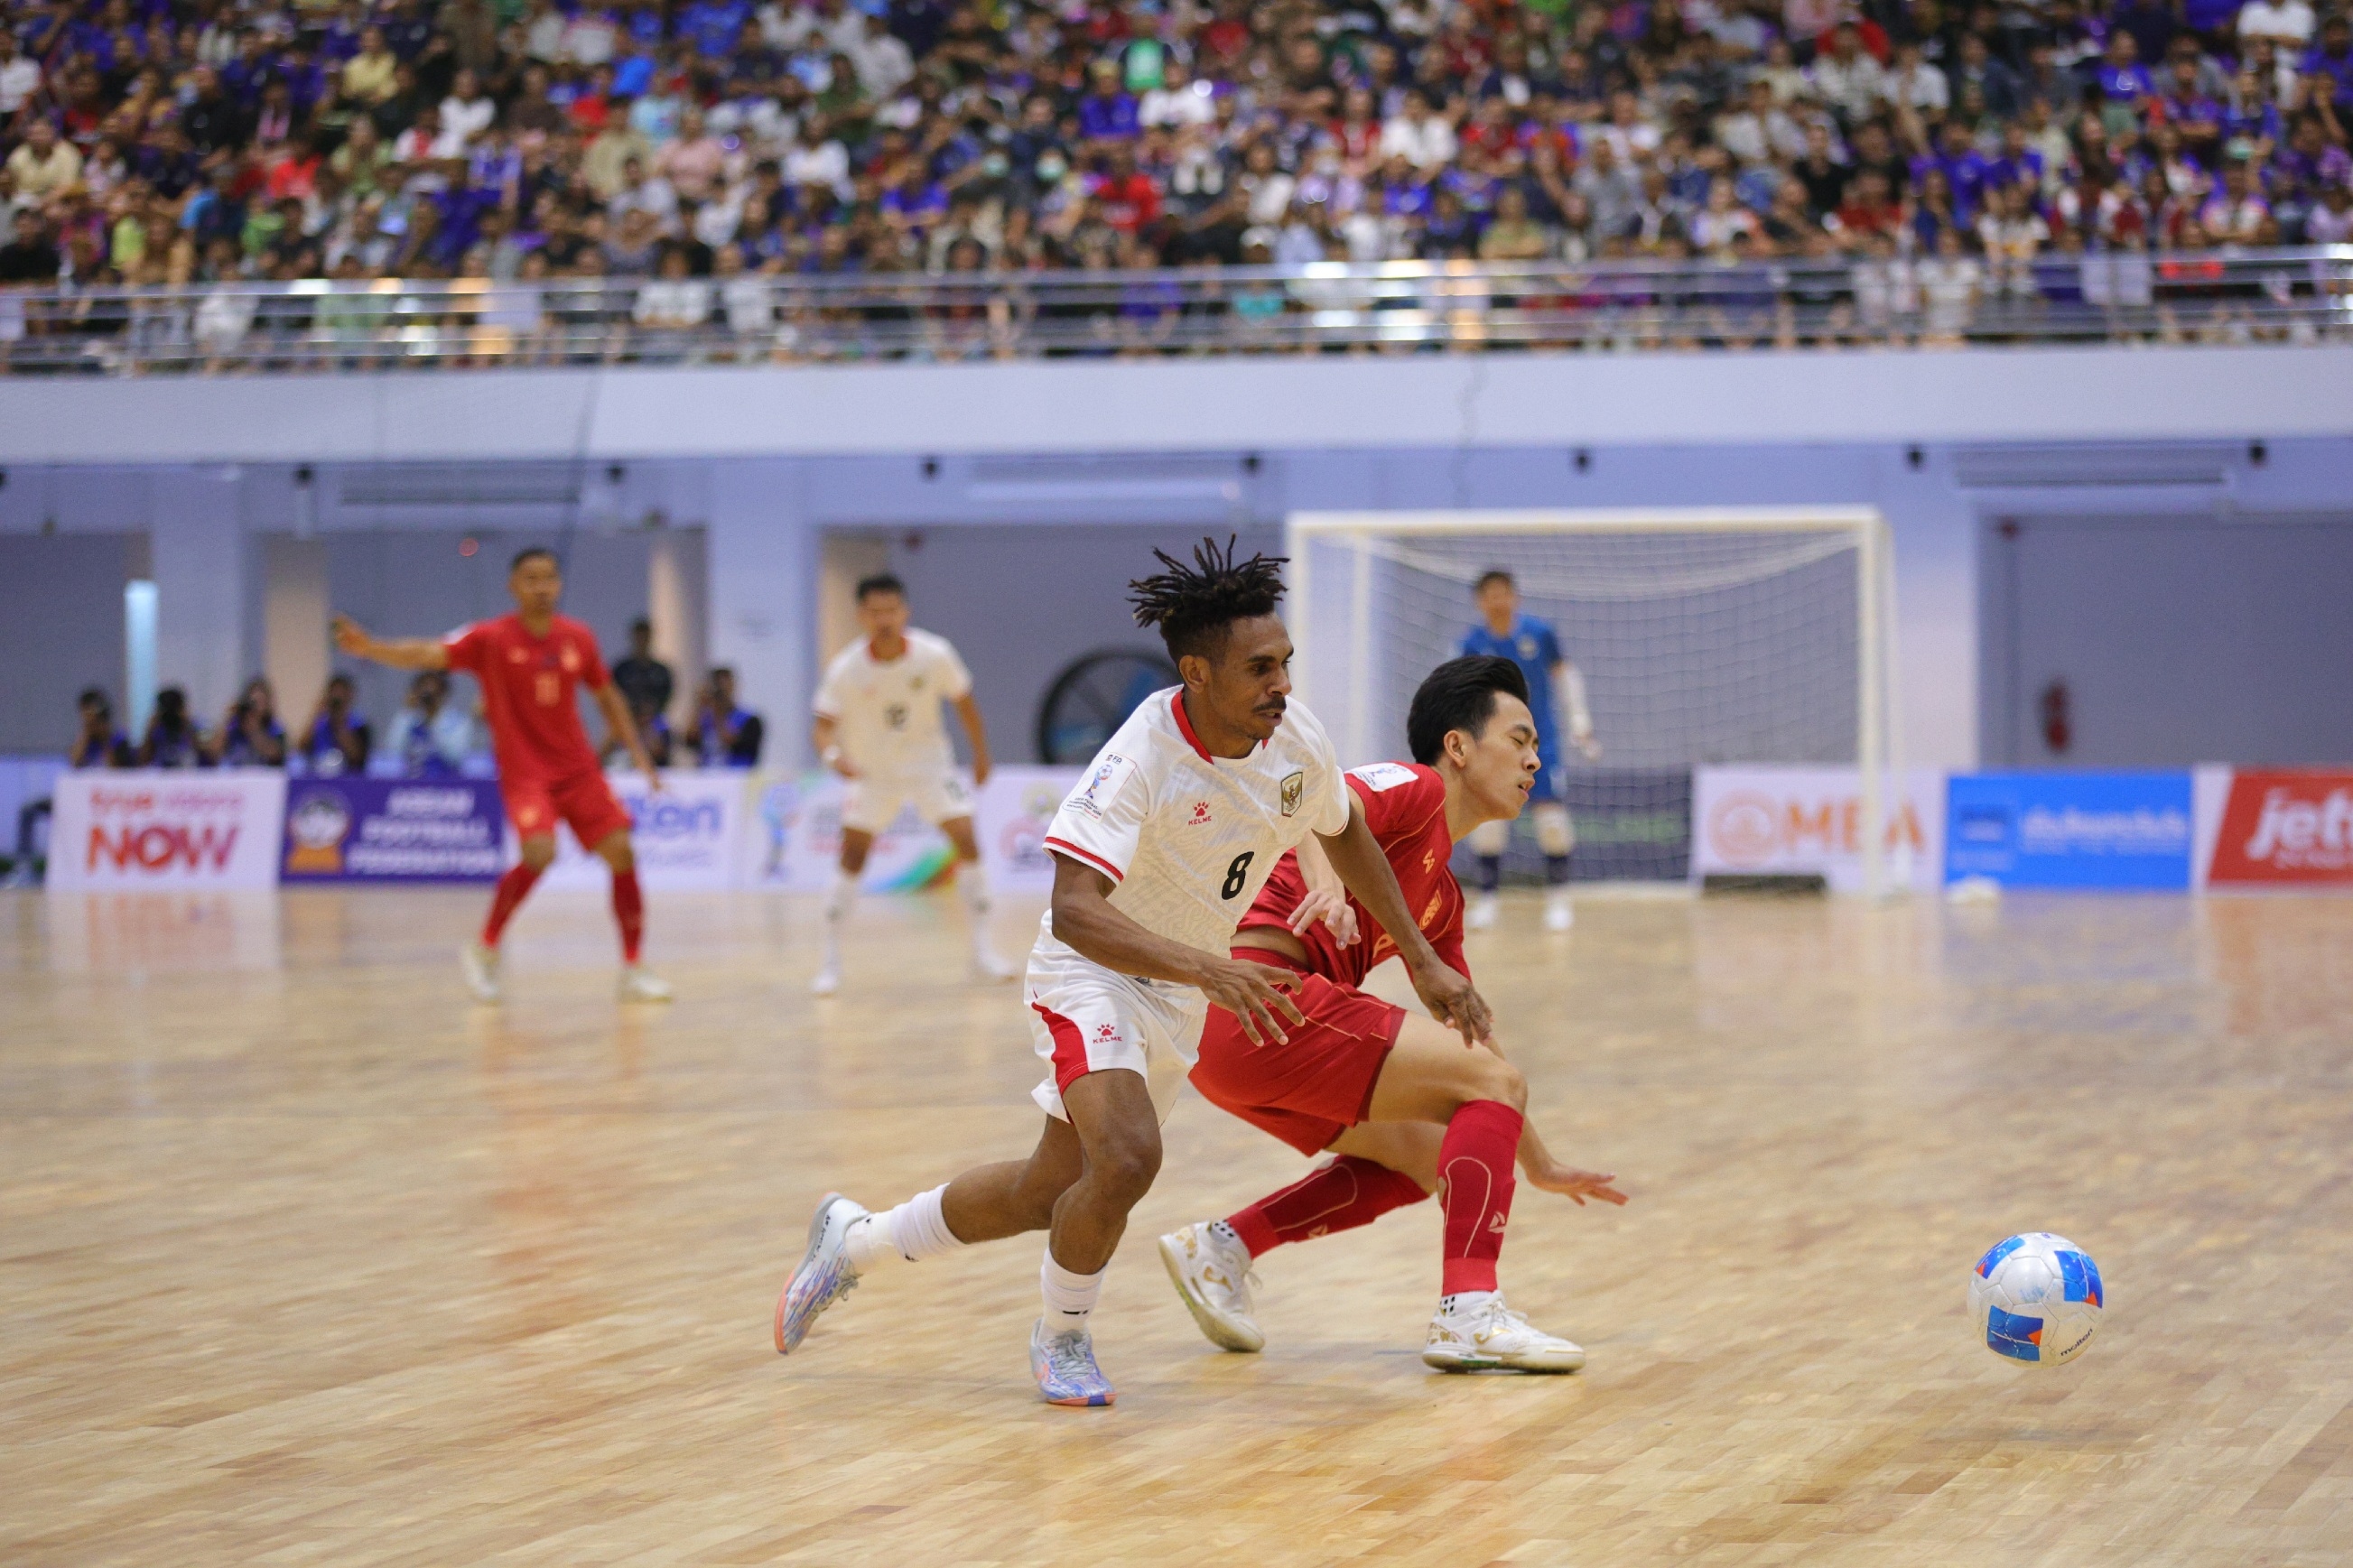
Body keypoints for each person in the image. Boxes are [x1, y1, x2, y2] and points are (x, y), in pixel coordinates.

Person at [775, 538, 1490, 1408]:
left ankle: (853, 1242)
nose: (1281, 684)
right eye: (1260, 668)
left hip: (1180, 986)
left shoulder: (1294, 736)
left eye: (1285, 663)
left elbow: (1342, 828)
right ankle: (1063, 1340)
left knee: (1051, 1189)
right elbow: (1076, 907)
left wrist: (1418, 958)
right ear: (1196, 671)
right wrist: (1210, 967)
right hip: (1091, 968)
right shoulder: (1138, 758)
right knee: (1127, 1157)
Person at [1160, 656, 1626, 1372]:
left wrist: (1541, 1161)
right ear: (1460, 746)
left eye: (1537, 746)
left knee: (1429, 1155)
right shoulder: (1416, 786)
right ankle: (1469, 1312)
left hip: (1240, 1042)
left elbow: (1481, 1050)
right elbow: (1318, 812)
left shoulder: (1443, 895)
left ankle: (1225, 1245)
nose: (1535, 758)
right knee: (1485, 1088)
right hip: (1256, 997)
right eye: (1519, 739)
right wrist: (1329, 888)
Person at [332, 547, 674, 1004]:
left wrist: (640, 757)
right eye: (531, 579)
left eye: (549, 578)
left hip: (578, 770)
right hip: (526, 772)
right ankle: (485, 949)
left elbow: (608, 698)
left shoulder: (578, 638)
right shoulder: (490, 639)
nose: (542, 587)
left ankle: (633, 969)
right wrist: (372, 647)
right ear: (513, 587)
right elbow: (429, 653)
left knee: (622, 853)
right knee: (539, 852)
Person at [807, 574, 1009, 993]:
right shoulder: (847, 668)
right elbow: (823, 728)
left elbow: (966, 705)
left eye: (892, 610)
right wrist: (833, 757)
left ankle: (984, 951)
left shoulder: (934, 655)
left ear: (905, 612)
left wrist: (981, 754)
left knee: (967, 839)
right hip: (873, 774)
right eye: (876, 611)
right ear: (862, 615)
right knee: (853, 854)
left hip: (929, 767)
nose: (885, 619)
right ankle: (830, 962)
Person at [1457, 571, 1600, 931]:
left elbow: (1566, 677)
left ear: (1515, 597)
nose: (1498, 601)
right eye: (1490, 595)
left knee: (1551, 822)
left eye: (1504, 593)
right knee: (1488, 824)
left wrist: (1580, 721)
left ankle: (1558, 900)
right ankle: (1488, 900)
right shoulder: (1471, 643)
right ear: (1480, 602)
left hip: (1541, 742)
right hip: (1493, 747)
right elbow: (1462, 696)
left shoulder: (1540, 634)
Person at [384, 670, 476, 776]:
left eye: (434, 692)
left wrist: (433, 720)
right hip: (413, 784)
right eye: (424, 689)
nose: (429, 697)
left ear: (443, 694)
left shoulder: (457, 721)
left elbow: (455, 756)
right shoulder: (410, 719)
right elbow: (392, 750)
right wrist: (406, 712)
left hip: (448, 784)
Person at [299, 675, 373, 775]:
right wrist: (316, 715)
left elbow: (356, 756)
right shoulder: (319, 724)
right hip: (318, 777)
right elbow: (301, 747)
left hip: (349, 779)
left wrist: (339, 722)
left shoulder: (359, 726)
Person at [690, 666, 765, 766]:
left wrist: (718, 711)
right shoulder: (705, 718)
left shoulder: (749, 720)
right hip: (707, 776)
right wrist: (699, 705)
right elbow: (689, 740)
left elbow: (729, 741)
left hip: (738, 777)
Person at [609, 617, 674, 730]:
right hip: (626, 719)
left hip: (655, 719)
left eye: (645, 637)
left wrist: (651, 711)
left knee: (665, 732)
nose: (642, 641)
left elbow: (667, 697)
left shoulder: (661, 671)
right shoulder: (621, 669)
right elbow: (613, 695)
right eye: (639, 637)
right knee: (613, 734)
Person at [213, 678, 287, 766]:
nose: (256, 707)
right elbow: (214, 751)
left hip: (264, 776)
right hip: (235, 776)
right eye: (253, 702)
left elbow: (275, 754)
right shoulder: (235, 724)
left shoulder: (274, 727)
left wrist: (253, 730)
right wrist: (228, 718)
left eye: (261, 701)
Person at [139, 687, 207, 768]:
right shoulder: (157, 729)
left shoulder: (194, 726)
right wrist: (149, 731)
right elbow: (142, 761)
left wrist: (187, 725)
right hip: (161, 776)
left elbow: (209, 755)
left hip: (189, 774)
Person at [70, 688, 131, 768]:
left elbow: (116, 769)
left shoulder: (119, 740)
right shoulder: (86, 741)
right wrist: (87, 734)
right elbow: (74, 763)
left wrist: (104, 737)